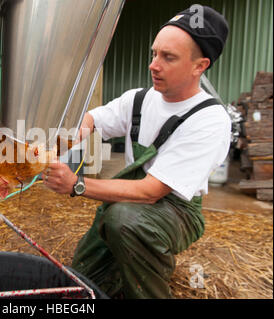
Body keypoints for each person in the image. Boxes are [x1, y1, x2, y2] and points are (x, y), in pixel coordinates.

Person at [41, 5, 231, 298]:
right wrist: (74, 133)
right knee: (79, 285)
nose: (153, 65)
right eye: (154, 53)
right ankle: (128, 261)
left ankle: (153, 281)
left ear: (199, 66)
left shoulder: (209, 120)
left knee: (123, 221)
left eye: (168, 57)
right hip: (127, 204)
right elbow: (93, 119)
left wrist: (76, 184)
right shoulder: (140, 100)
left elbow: (151, 192)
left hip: (176, 211)